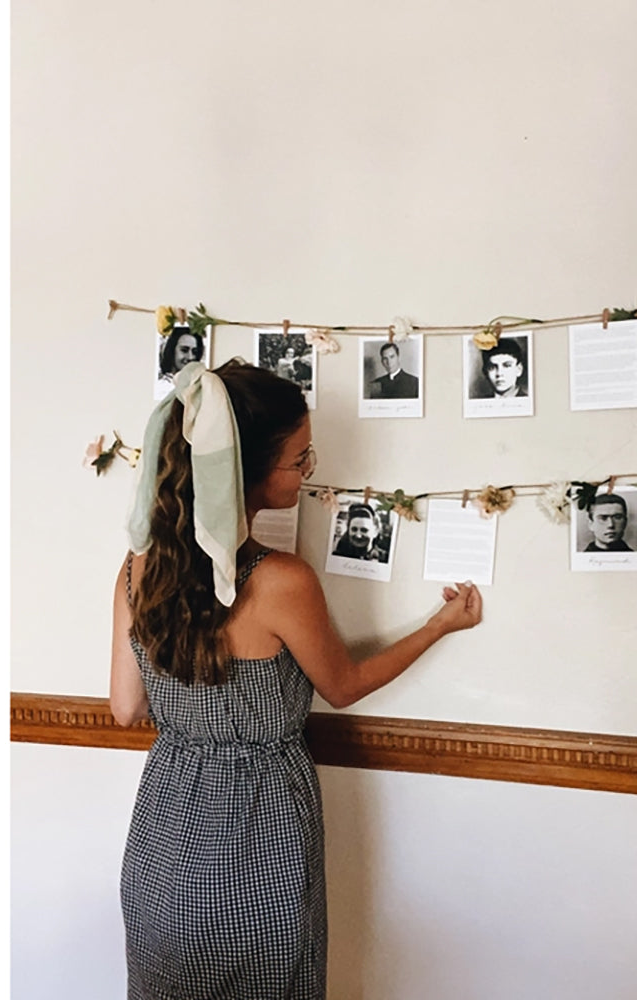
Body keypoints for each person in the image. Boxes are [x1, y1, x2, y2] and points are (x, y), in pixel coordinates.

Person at [110, 358, 482, 999]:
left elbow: (124, 707)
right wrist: (438, 626)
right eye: (299, 458)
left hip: (162, 839)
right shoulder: (281, 581)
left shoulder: (136, 567)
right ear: (246, 470)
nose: (308, 470)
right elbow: (344, 684)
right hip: (261, 833)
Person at [156, 327, 205, 394]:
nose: (190, 357)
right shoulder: (162, 386)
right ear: (171, 351)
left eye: (194, 352)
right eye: (184, 350)